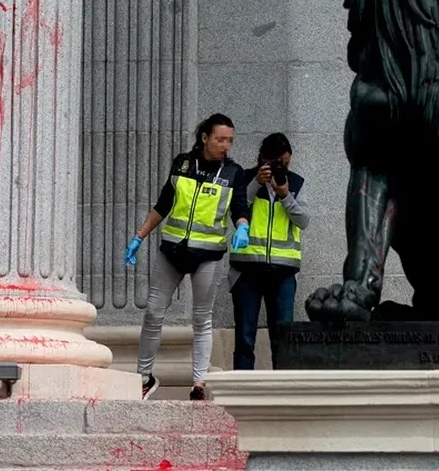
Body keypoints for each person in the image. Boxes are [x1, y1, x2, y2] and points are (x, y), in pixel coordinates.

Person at [124, 113, 250, 401]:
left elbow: (239, 208)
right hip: (172, 249)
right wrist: (138, 236)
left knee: (201, 318)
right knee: (153, 312)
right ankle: (144, 377)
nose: (225, 145)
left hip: (208, 254)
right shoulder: (182, 163)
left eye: (229, 140)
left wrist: (242, 227)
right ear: (204, 137)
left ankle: (199, 383)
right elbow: (163, 204)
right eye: (220, 139)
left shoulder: (234, 173)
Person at [228, 132, 310, 370]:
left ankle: (283, 393)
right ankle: (242, 395)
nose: (279, 168)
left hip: (284, 272)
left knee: (282, 337)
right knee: (244, 337)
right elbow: (237, 207)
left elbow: (304, 221)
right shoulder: (244, 178)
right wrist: (256, 182)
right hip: (247, 270)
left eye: (284, 163)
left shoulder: (296, 183)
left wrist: (285, 196)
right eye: (274, 163)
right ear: (263, 159)